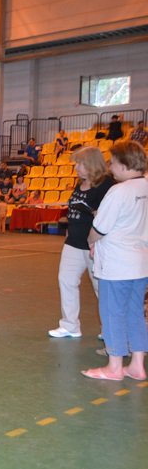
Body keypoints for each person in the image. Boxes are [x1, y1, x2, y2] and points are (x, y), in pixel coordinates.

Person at [82, 141, 147, 381]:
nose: (110, 167)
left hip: (117, 263)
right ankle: (137, 365)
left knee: (112, 313)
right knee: (135, 313)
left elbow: (100, 228)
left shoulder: (119, 191)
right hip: (141, 262)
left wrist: (90, 241)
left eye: (112, 162)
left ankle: (115, 366)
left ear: (123, 163)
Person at [48, 146, 114, 339]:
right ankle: (70, 325)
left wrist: (94, 213)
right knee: (66, 280)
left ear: (91, 164)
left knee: (101, 287)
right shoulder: (80, 184)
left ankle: (110, 328)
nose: (76, 167)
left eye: (80, 163)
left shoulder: (106, 186)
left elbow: (107, 216)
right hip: (73, 241)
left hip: (95, 243)